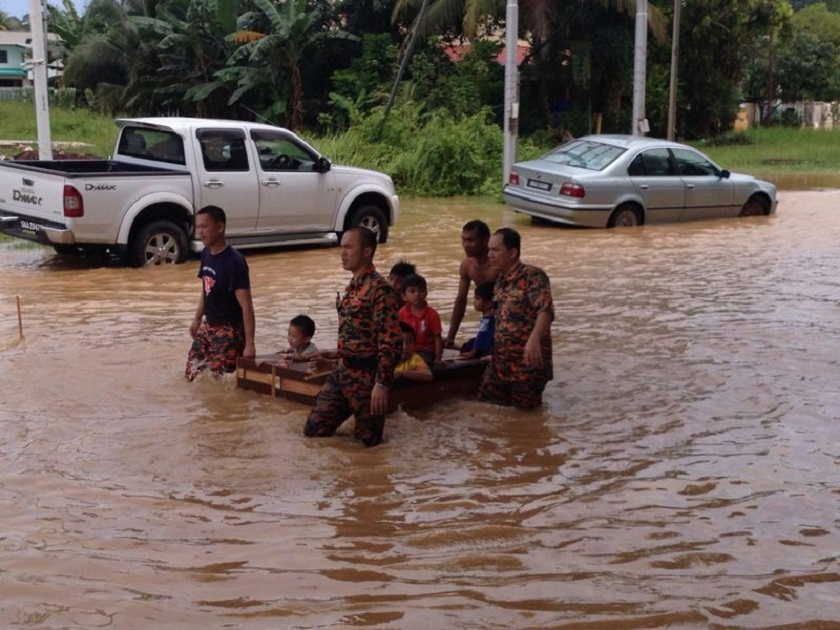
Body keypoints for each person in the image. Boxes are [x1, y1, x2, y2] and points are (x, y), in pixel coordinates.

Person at [304, 227, 402, 447]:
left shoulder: (380, 290)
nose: (342, 253)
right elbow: (356, 334)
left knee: (369, 446)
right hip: (342, 371)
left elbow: (391, 341)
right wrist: (332, 359)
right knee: (314, 431)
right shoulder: (353, 287)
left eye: (348, 247)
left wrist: (382, 383)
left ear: (367, 251)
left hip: (368, 377)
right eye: (342, 247)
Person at [478, 227, 554, 410]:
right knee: (485, 409)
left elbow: (545, 310)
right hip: (500, 362)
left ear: (512, 252)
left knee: (525, 420)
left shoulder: (533, 276)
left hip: (527, 363)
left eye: (495, 250)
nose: (490, 255)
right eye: (489, 250)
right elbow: (500, 319)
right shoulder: (499, 281)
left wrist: (534, 339)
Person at [186, 205, 256, 380]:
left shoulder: (235, 262)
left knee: (221, 380)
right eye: (198, 227)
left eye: (205, 227)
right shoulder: (206, 254)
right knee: (192, 373)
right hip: (208, 325)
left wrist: (250, 344)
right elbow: (206, 289)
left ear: (220, 227)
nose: (200, 232)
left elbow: (246, 306)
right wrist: (196, 319)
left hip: (229, 329)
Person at [445, 220, 498, 348]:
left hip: (504, 323)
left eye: (471, 240)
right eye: (463, 240)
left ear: (485, 241)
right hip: (487, 321)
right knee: (470, 347)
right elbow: (461, 301)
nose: (465, 245)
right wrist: (450, 338)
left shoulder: (498, 265)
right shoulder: (467, 265)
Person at [399, 273, 443, 366]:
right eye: (412, 291)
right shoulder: (401, 314)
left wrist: (438, 358)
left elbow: (437, 337)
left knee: (419, 362)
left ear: (426, 293)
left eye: (421, 291)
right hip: (406, 350)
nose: (417, 294)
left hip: (426, 352)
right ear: (404, 296)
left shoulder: (432, 314)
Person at [458, 281, 496, 359]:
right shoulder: (494, 314)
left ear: (488, 304)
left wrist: (472, 353)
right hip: (492, 342)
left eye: (478, 299)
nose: (474, 301)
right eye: (475, 298)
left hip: (490, 345)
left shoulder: (487, 317)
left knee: (468, 346)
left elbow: (482, 335)